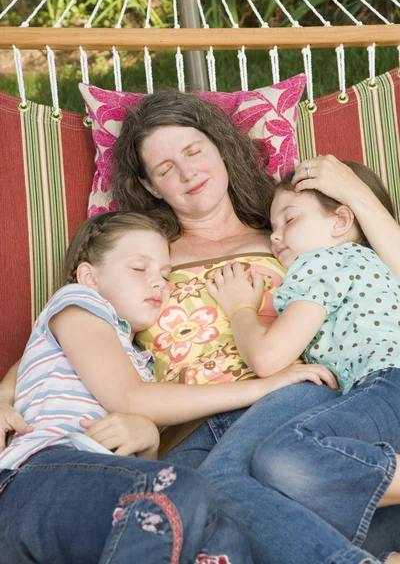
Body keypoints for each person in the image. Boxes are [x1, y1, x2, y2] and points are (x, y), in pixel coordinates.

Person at [1, 90, 400, 560]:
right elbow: (75, 330)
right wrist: (6, 394)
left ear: (221, 147)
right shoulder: (144, 257)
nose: (188, 172)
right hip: (185, 431)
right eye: (166, 168)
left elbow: (384, 281)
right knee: (203, 528)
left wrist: (354, 193)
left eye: (194, 151)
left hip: (288, 403)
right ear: (150, 187)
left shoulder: (290, 237)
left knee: (227, 489)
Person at [1, 209, 319, 564]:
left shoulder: (140, 362)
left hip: (95, 502)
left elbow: (135, 475)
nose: (158, 283)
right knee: (177, 486)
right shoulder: (78, 302)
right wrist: (263, 387)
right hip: (35, 478)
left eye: (165, 275)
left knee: (225, 541)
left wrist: (150, 441)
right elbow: (129, 397)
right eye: (139, 268)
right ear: (89, 276)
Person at [202, 161, 400, 562]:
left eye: (289, 219)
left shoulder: (326, 262)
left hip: (387, 385)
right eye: (272, 227)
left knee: (283, 457)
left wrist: (241, 307)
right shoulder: (378, 265)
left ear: (342, 220)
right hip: (379, 396)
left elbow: (268, 357)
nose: (275, 237)